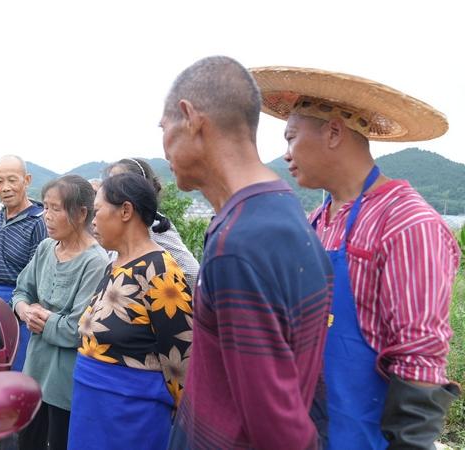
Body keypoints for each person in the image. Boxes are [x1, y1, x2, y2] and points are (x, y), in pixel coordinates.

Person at [250, 65, 461, 448]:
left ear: (333, 132)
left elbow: (419, 357)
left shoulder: (407, 223)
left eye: (291, 138)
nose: (286, 155)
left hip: (368, 435)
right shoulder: (316, 221)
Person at [161, 56, 334, 450]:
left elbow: (276, 427)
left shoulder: (238, 243)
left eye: (164, 126)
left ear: (190, 118)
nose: (164, 143)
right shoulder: (282, 209)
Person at [68, 172, 193, 450]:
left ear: (125, 211)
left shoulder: (160, 270)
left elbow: (181, 357)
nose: (93, 221)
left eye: (98, 210)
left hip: (131, 415)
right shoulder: (114, 265)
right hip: (91, 408)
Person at [11, 175, 108, 450]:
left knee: (59, 442)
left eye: (56, 208)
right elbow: (21, 291)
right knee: (26, 442)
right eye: (46, 207)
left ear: (81, 213)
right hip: (34, 370)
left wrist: (42, 319)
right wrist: (25, 311)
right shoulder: (45, 248)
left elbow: (77, 329)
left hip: (66, 380)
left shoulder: (95, 262)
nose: (47, 216)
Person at [0, 154, 47, 373]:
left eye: (12, 180)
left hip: (21, 310)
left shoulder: (38, 222)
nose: (5, 187)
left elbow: (35, 276)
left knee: (16, 372)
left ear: (27, 180)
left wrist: (12, 308)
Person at [105, 157, 200, 289]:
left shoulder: (151, 229)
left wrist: (162, 295)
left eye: (117, 183)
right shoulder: (120, 231)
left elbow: (192, 273)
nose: (108, 189)